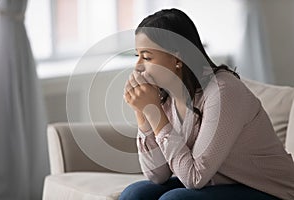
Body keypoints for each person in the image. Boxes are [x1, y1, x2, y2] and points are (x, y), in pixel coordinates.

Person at [120, 8, 294, 200]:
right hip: (219, 183)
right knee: (135, 194)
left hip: (269, 190)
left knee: (175, 199)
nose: (138, 67)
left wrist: (155, 116)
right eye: (138, 56)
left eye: (147, 57)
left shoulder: (223, 92)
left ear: (177, 58)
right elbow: (156, 176)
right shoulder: (165, 96)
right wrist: (143, 113)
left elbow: (194, 178)